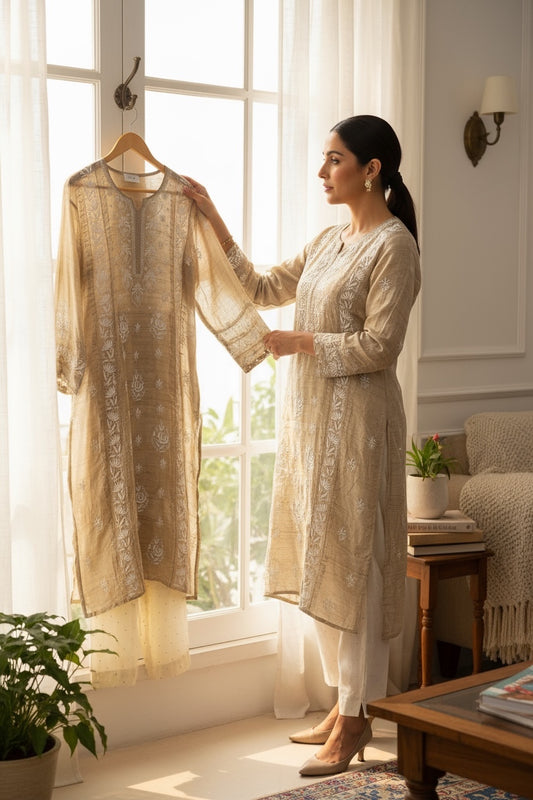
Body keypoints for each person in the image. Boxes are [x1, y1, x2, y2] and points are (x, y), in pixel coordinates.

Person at [183, 114, 421, 777]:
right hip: (312, 422)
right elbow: (259, 286)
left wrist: (301, 343)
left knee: (355, 567)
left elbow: (380, 346)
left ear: (370, 169)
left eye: (334, 160)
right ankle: (348, 703)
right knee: (320, 564)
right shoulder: (325, 242)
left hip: (360, 427)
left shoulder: (393, 247)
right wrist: (210, 217)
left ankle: (353, 718)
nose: (322, 172)